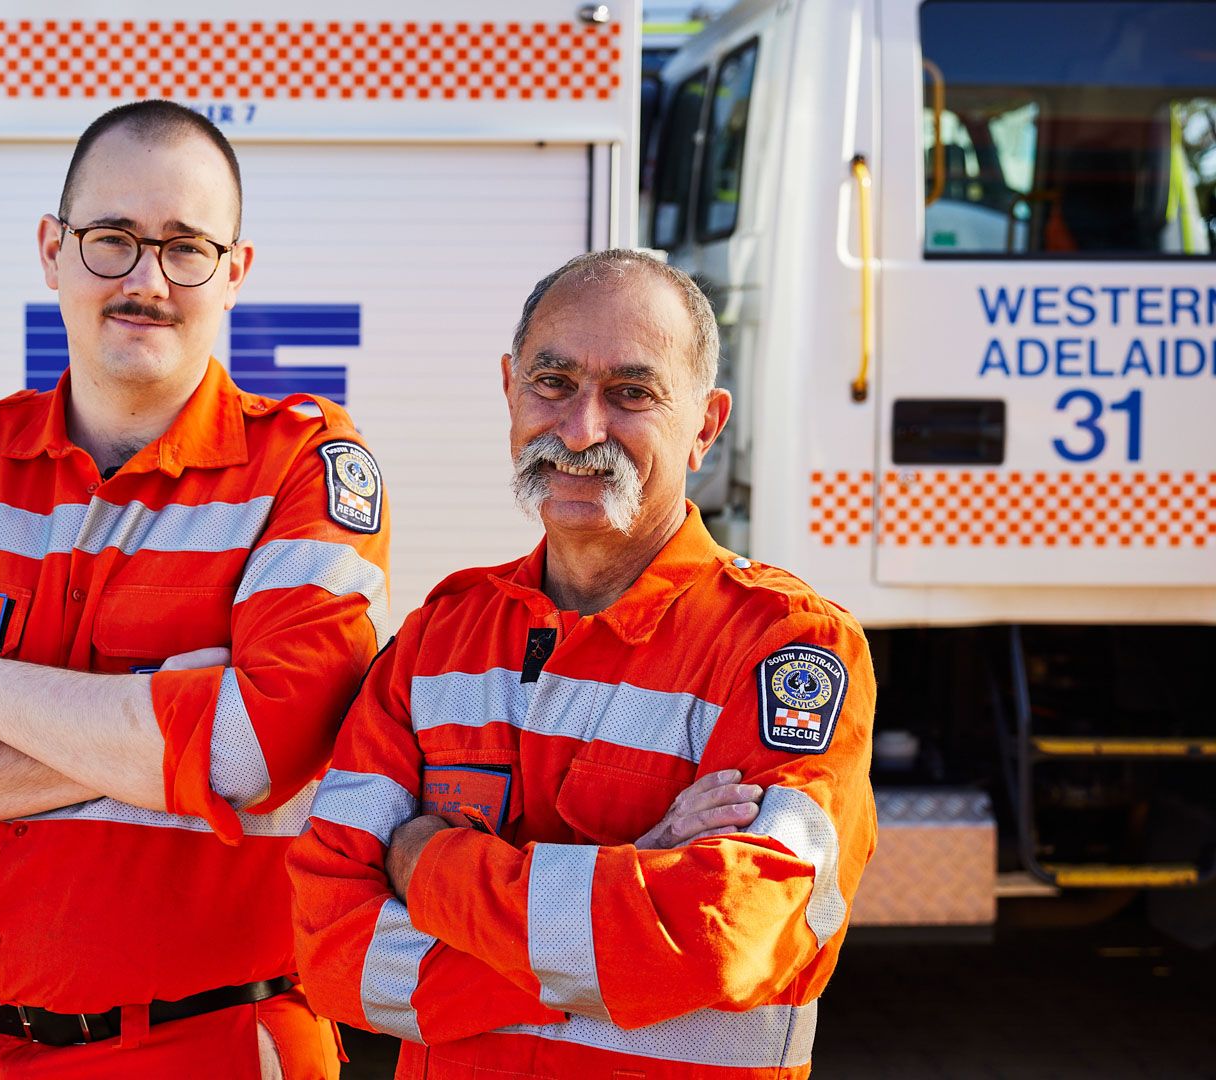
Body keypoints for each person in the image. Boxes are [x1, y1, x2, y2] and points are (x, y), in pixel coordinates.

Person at [0, 101, 391, 1078]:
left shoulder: (301, 467)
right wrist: (173, 727)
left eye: (186, 248)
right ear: (54, 251)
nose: (148, 281)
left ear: (233, 272)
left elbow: (260, 755)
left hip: (194, 1050)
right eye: (113, 240)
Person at [288, 248, 877, 1079]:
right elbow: (332, 953)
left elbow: (724, 939)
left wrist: (427, 862)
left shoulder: (785, 649)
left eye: (631, 394)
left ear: (705, 425)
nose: (581, 430)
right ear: (509, 389)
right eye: (552, 384)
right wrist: (626, 885)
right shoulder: (437, 642)